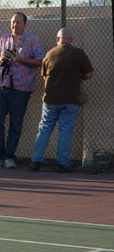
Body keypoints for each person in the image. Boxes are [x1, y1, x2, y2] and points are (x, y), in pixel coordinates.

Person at [0, 12, 45, 169]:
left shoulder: (33, 40)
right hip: (2, 85)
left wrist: (21, 59)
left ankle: (9, 157)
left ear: (25, 24)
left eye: (18, 22)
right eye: (12, 22)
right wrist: (1, 59)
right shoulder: (4, 39)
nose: (15, 25)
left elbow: (40, 61)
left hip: (21, 88)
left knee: (15, 124)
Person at [29, 28, 94, 173]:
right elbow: (89, 74)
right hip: (70, 99)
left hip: (50, 99)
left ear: (58, 39)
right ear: (71, 40)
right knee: (65, 131)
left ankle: (36, 161)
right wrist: (79, 77)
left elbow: (44, 75)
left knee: (44, 129)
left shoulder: (50, 53)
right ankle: (62, 163)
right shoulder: (79, 53)